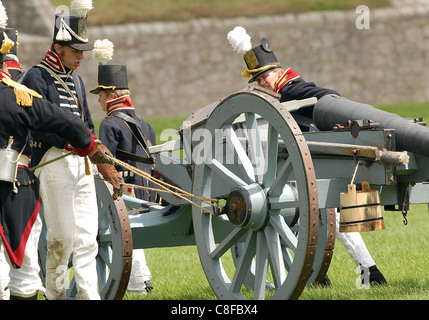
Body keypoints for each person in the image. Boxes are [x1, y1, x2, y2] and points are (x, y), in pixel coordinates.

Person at [227, 26, 387, 286]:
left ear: (278, 73)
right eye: (257, 81)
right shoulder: (289, 89)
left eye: (263, 77)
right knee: (312, 217)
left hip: (315, 165)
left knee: (317, 216)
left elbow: (315, 105)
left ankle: (352, 272)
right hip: (312, 163)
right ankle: (336, 274)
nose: (262, 84)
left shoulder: (290, 91)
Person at [0, 9, 115, 299]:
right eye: (75, 50)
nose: (81, 57)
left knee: (88, 239)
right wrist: (69, 143)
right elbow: (35, 129)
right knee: (62, 238)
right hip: (53, 163)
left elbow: (86, 124)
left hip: (82, 165)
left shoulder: (75, 81)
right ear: (58, 47)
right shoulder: (36, 77)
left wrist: (97, 156)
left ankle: (90, 295)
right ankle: (56, 293)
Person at [90, 61, 156, 294]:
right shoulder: (145, 124)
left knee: (125, 233)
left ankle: (137, 284)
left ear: (110, 94)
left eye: (100, 94)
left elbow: (103, 162)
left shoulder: (109, 124)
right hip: (147, 189)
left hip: (123, 187)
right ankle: (144, 278)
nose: (98, 100)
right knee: (135, 230)